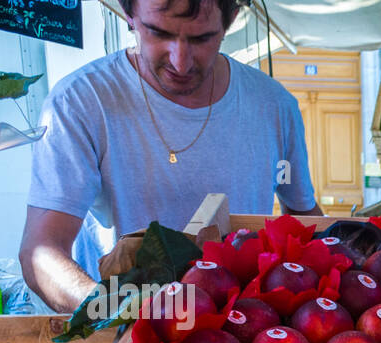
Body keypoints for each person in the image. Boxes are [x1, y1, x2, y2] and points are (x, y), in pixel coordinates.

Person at [20, 0, 322, 313]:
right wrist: (113, 314)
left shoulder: (274, 106)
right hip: (121, 342)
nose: (180, 62)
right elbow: (40, 254)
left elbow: (304, 223)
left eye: (201, 38)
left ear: (231, 19)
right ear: (129, 15)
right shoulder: (80, 102)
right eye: (158, 33)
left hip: (239, 337)